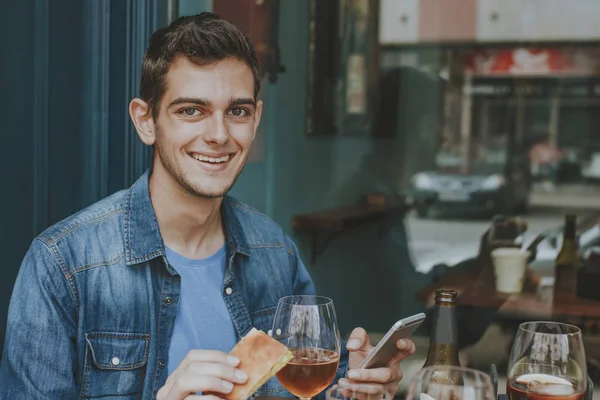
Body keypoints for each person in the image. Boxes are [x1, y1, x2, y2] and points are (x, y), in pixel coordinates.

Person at [0, 13, 415, 399]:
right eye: (192, 110)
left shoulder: (275, 251)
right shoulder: (62, 265)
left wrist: (353, 387)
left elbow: (307, 390)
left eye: (237, 111)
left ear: (255, 120)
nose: (218, 134)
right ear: (146, 120)